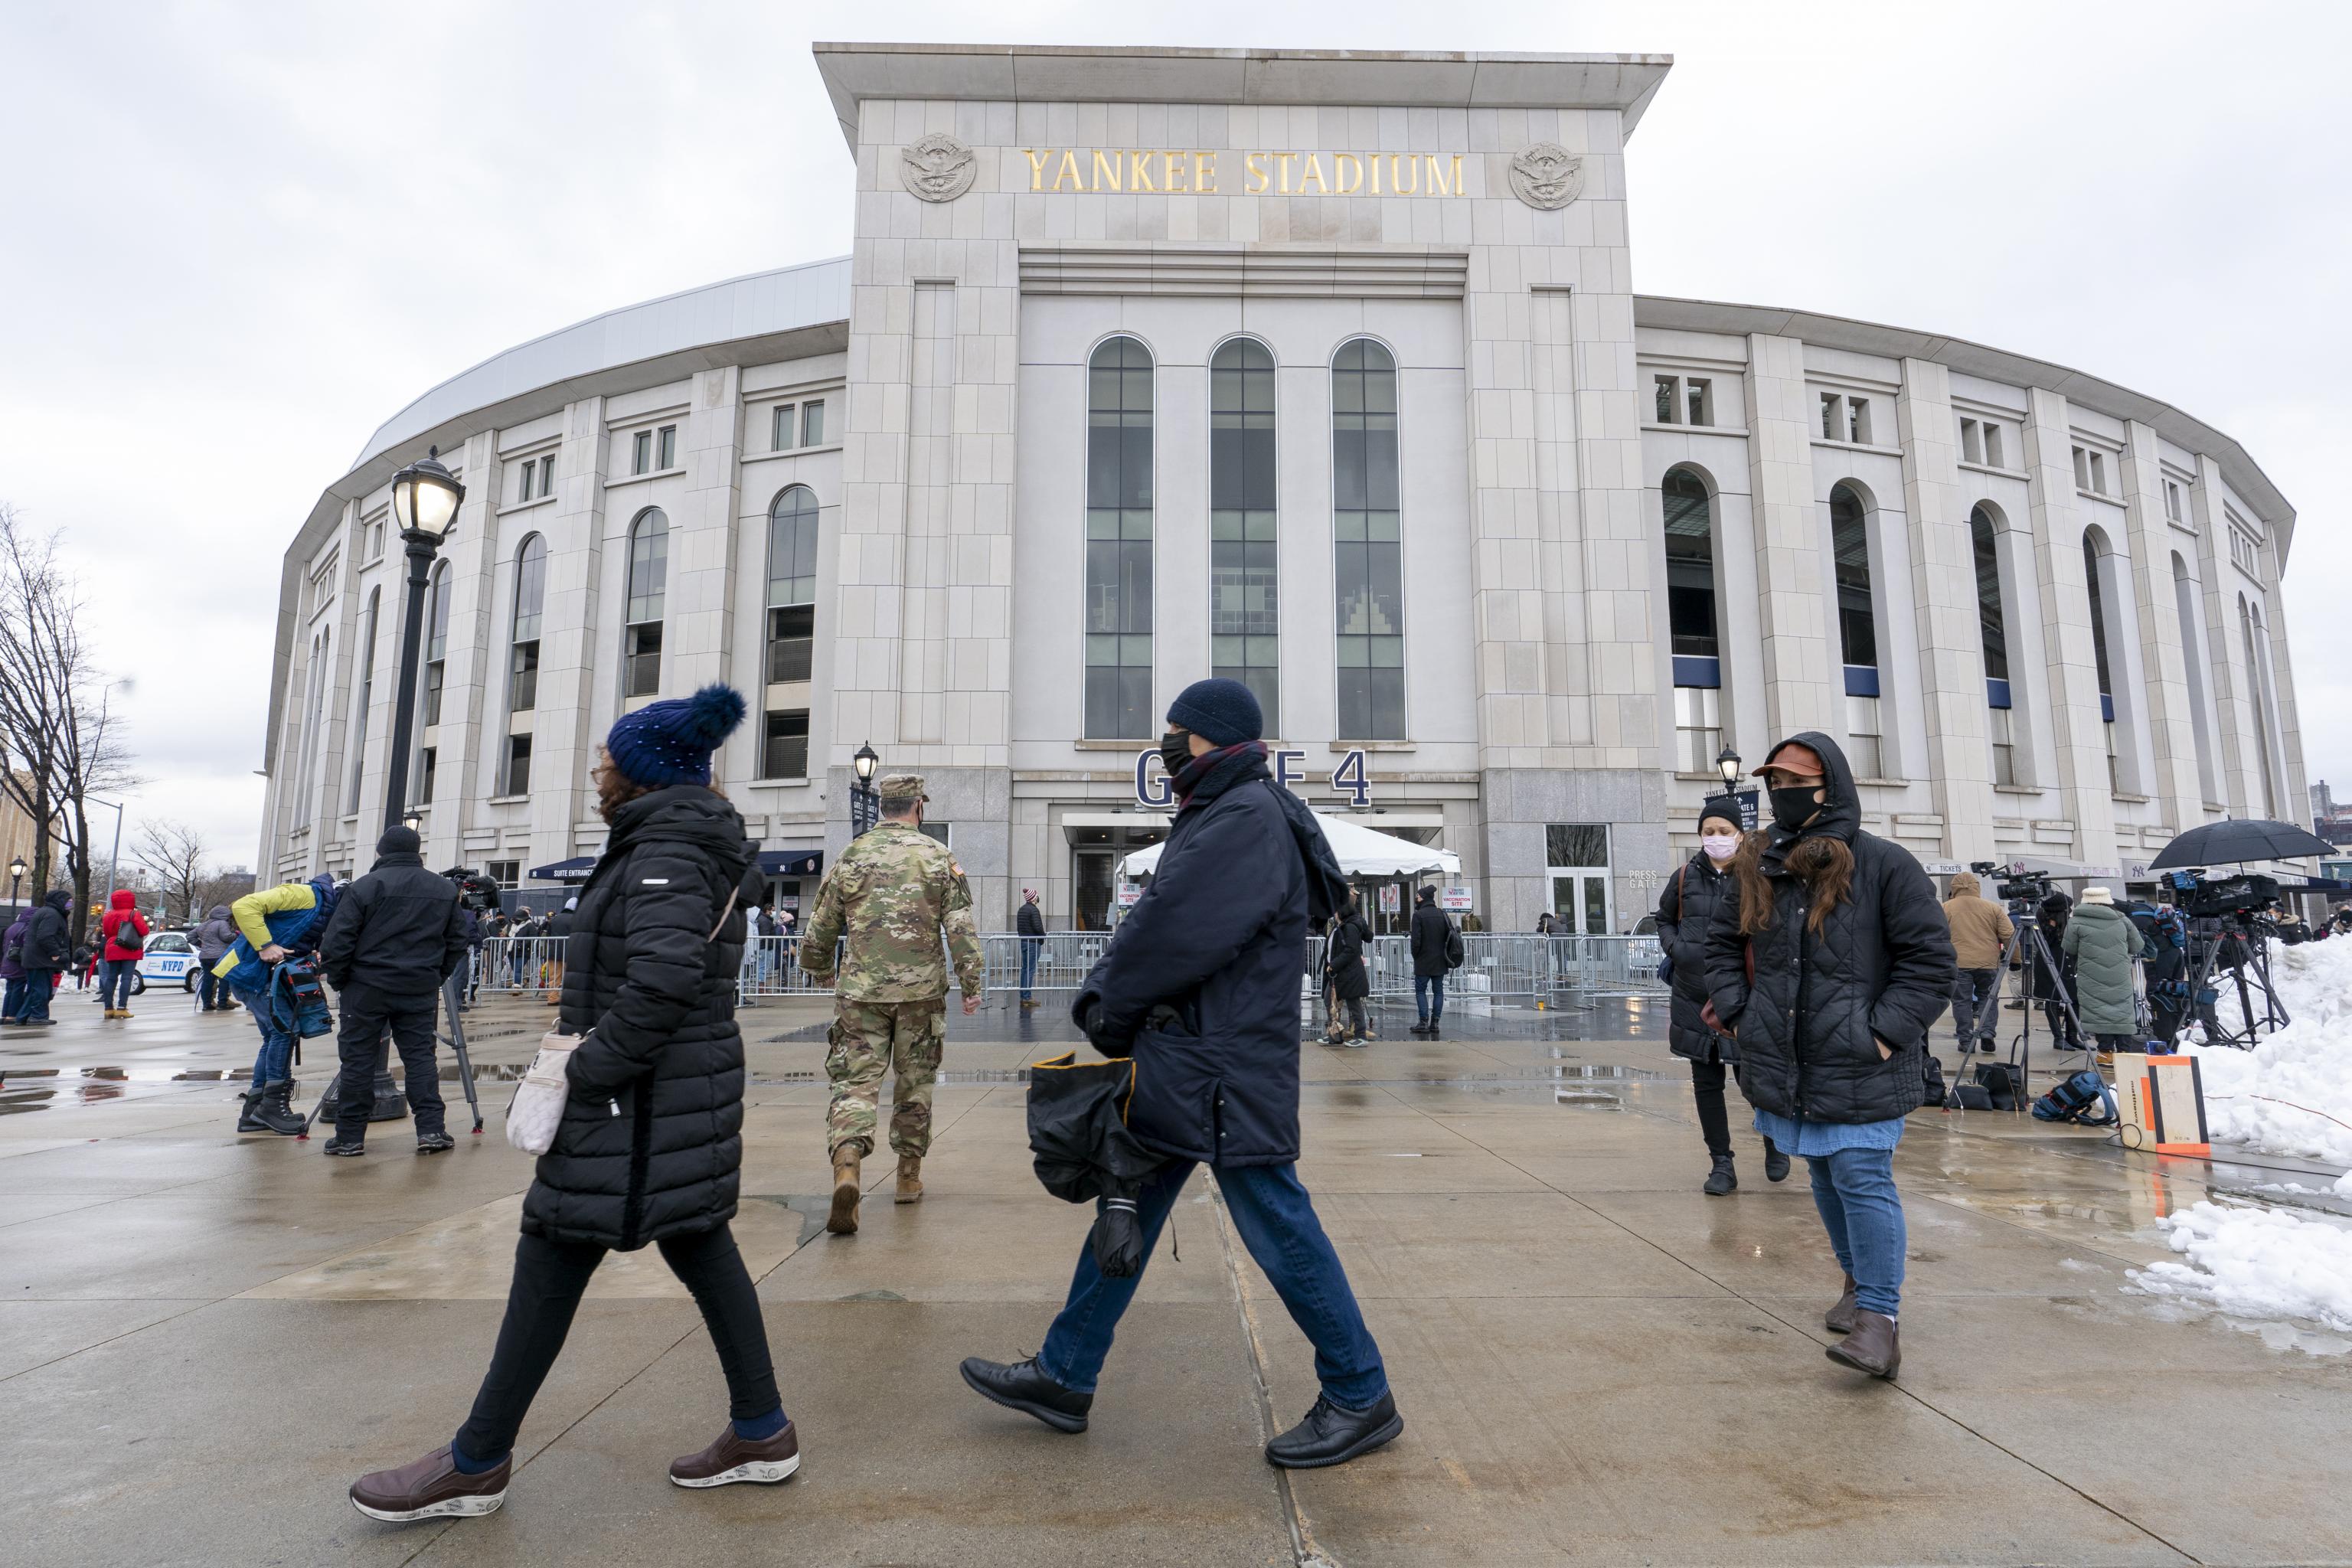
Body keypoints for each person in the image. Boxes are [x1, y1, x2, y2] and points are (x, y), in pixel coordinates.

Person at [349, 685, 794, 1523]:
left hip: (635, 1102)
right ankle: (762, 1428)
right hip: (665, 1099)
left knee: (554, 1242)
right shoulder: (671, 840)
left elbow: (662, 981)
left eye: (607, 756)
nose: (598, 766)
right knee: (698, 1239)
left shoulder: (665, 848)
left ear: (641, 770)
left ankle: (477, 1458)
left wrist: (586, 1072)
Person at [959, 677, 1403, 1472]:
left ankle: (1360, 1390)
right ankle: (1065, 1372)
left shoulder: (1242, 818)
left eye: (1176, 733)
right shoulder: (1232, 810)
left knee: (1278, 1222)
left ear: (1212, 738)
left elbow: (1172, 931)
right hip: (1198, 1062)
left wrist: (1107, 1005)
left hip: (1221, 1066)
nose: (1166, 746)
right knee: (1123, 1205)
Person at [1704, 733, 1955, 1382]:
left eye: (1796, 782)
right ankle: (1855, 1282)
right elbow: (1722, 947)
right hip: (1786, 1058)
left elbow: (1929, 964)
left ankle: (1880, 1320)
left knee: (1860, 1175)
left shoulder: (1885, 865)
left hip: (1861, 1060)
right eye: (1775, 784)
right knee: (1821, 1173)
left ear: (1831, 786)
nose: (1783, 795)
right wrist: (1739, 1013)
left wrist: (1882, 1034)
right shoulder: (1759, 867)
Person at [799, 773, 985, 1233]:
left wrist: (819, 967)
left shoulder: (853, 854)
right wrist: (972, 981)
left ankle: (847, 1165)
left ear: (885, 807)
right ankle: (907, 1178)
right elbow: (959, 928)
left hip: (861, 993)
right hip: (921, 994)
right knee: (915, 1083)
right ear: (919, 806)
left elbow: (822, 923)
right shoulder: (938, 857)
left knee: (855, 1083)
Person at [315, 825, 469, 1158]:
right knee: (420, 1058)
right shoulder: (442, 889)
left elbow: (337, 941)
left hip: (366, 986)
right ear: (417, 851)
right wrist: (436, 974)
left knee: (358, 1061)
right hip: (417, 986)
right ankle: (431, 1130)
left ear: (381, 851)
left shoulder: (364, 887)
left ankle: (349, 1137)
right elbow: (458, 940)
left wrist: (341, 980)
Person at [1658, 799, 1783, 1195]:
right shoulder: (1683, 877)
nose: (1716, 839)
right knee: (1706, 1082)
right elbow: (1664, 917)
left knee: (1752, 1079)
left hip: (1742, 996)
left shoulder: (1757, 876)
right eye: (1708, 832)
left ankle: (1774, 1142)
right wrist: (1677, 948)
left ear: (1740, 835)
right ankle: (1721, 1163)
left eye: (1724, 831)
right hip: (1693, 993)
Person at [211, 874, 340, 1135]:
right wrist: (265, 945)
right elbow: (244, 905)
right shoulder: (305, 895)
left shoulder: (323, 906)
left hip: (255, 975)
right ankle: (271, 1107)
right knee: (283, 1033)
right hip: (251, 973)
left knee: (275, 1036)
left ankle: (256, 1110)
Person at [2062, 886, 2145, 1063]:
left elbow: (2069, 947)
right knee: (2122, 1010)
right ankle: (2125, 1053)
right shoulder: (2123, 920)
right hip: (2120, 973)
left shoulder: (2076, 922)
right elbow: (2138, 946)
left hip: (2090, 975)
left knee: (2098, 1010)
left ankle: (2105, 1053)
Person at [1940, 871, 2014, 1055]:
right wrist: (2016, 960)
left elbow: (1935, 935)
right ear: (1977, 887)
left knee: (1961, 1002)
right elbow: (2008, 934)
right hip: (1988, 963)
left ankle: (1966, 1041)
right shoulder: (1993, 908)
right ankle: (1987, 1032)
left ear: (1954, 888)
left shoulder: (1945, 908)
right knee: (1988, 999)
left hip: (1957, 963)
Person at [1407, 886, 1460, 1038]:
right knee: (1438, 991)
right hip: (1440, 959)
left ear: (1423, 898)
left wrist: (1416, 955)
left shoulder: (1418, 916)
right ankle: (1435, 1023)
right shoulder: (1442, 914)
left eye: (1417, 897)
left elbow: (1416, 940)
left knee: (1420, 991)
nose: (1416, 899)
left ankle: (1423, 1022)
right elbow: (1449, 937)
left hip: (1423, 960)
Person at [2032, 890, 2082, 1050]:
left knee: (2074, 1000)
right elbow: (2042, 942)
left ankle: (2072, 1036)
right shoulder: (2041, 922)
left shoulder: (2068, 922)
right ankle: (2058, 1037)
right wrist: (2053, 927)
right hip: (2048, 964)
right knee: (2053, 1000)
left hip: (2068, 963)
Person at [17, 889, 74, 1025]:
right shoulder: (52, 914)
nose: (70, 904)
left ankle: (24, 1016)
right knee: (41, 989)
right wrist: (55, 953)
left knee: (34, 989)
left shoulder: (47, 912)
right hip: (42, 959)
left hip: (36, 958)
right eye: (68, 901)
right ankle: (37, 1016)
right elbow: (45, 936)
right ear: (60, 900)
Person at [1321, 897, 1374, 1046]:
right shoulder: (1342, 925)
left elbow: (1351, 950)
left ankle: (1361, 1036)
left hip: (1349, 972)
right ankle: (1335, 1033)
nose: (1334, 914)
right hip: (1341, 972)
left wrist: (1334, 964)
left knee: (1353, 1003)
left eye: (1336, 912)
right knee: (1329, 1000)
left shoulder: (1350, 927)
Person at [97, 890, 150, 1019]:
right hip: (129, 948)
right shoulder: (134, 914)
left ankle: (108, 1008)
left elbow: (107, 932)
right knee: (126, 978)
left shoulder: (108, 915)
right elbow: (144, 931)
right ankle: (122, 1008)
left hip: (112, 947)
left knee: (111, 977)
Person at [194, 903, 240, 1011]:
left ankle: (207, 1004)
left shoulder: (204, 925)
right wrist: (236, 934)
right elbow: (226, 937)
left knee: (208, 980)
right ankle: (222, 1003)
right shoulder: (222, 923)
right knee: (224, 979)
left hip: (205, 956)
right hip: (219, 956)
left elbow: (190, 936)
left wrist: (201, 945)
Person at [1016, 888, 1047, 1008]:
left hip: (1024, 942)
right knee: (1030, 970)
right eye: (1037, 896)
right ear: (1033, 898)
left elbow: (1019, 928)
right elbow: (1038, 927)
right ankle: (1027, 997)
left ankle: (1023, 996)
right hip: (1033, 943)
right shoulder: (1034, 910)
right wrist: (1043, 937)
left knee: (1025, 969)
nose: (1038, 897)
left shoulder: (1021, 910)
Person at [0, 905, 30, 1024]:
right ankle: (12, 1015)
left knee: (10, 989)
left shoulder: (12, 927)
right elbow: (27, 947)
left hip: (8, 963)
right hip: (18, 964)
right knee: (18, 989)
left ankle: (5, 1014)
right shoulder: (26, 929)